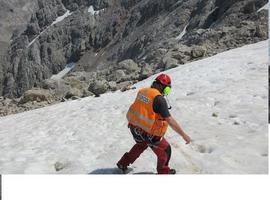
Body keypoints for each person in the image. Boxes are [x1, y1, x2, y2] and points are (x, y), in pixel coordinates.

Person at [117, 73, 191, 174]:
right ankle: (163, 172)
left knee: (141, 145)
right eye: (168, 89)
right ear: (165, 88)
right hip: (149, 133)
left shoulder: (142, 91)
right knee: (165, 150)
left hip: (134, 128)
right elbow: (170, 120)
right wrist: (184, 135)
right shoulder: (159, 99)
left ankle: (123, 163)